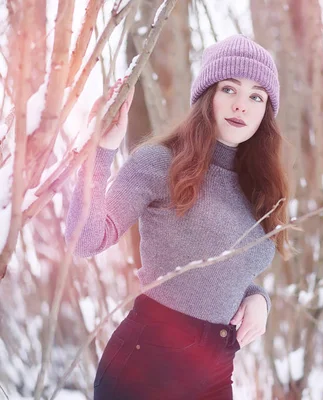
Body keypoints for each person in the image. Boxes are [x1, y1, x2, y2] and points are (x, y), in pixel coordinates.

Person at [65, 34, 291, 399]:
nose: (241, 106)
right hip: (145, 368)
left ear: (266, 111)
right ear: (207, 96)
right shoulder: (160, 164)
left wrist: (258, 298)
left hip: (215, 370)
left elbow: (220, 267)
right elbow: (85, 240)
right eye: (229, 88)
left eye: (256, 96)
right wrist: (101, 151)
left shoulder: (261, 188)